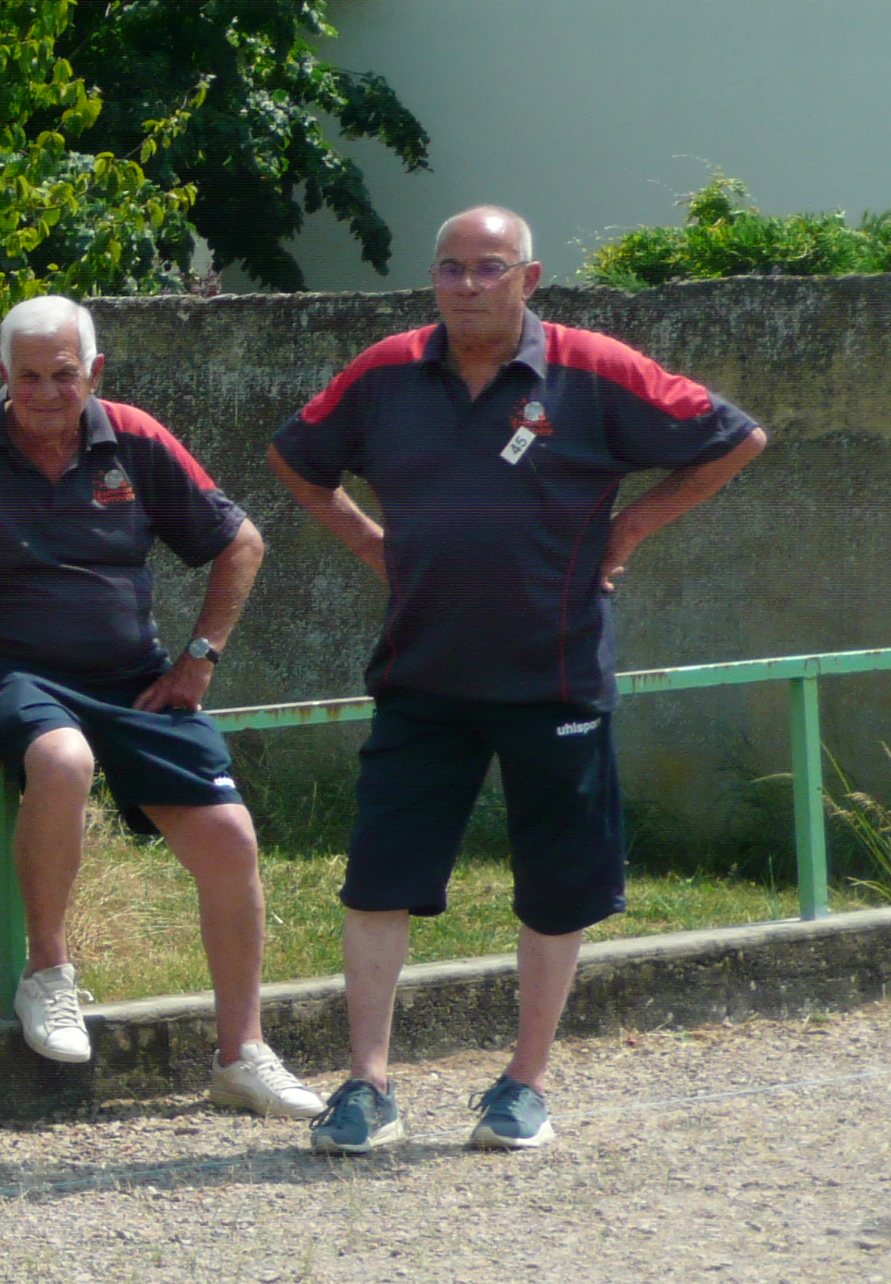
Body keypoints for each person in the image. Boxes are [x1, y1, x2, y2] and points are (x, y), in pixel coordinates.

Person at [270, 204, 765, 1155]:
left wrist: (630, 528)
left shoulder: (594, 369)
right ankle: (367, 1086)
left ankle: (523, 1084)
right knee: (379, 879)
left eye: (488, 268)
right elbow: (297, 462)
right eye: (450, 268)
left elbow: (734, 439)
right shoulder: (385, 372)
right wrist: (375, 545)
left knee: (556, 886)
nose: (465, 285)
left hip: (556, 676)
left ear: (529, 280)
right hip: (423, 673)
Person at [0, 295, 321, 1118]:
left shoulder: (133, 434)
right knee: (62, 760)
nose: (47, 394)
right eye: (28, 377)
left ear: (94, 372)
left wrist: (198, 660)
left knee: (231, 837)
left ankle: (242, 1053)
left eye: (64, 375)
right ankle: (46, 976)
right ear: (2, 377)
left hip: (134, 676)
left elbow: (241, 542)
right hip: (14, 673)